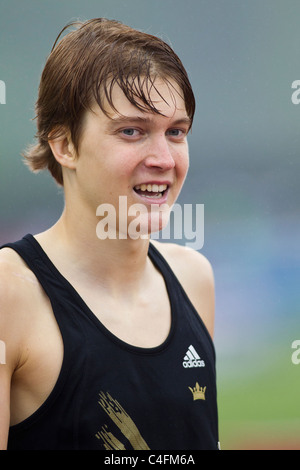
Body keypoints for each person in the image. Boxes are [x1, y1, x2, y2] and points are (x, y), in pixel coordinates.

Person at [0, 18, 219, 450]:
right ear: (64, 145)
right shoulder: (10, 294)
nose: (163, 158)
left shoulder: (194, 278)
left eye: (176, 132)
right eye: (131, 131)